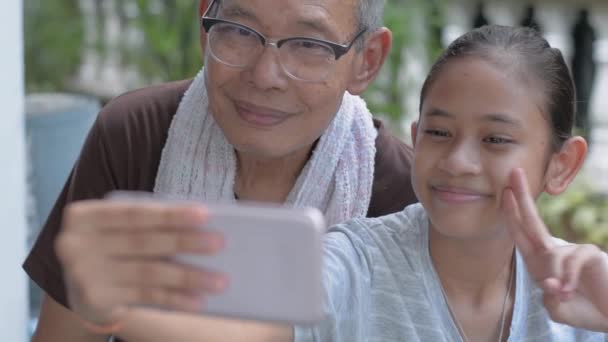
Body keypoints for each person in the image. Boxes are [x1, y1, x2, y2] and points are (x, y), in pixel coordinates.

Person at [54, 24, 608, 341]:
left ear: (561, 164)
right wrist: (113, 309)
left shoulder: (583, 289)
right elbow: (249, 333)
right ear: (417, 139)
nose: (459, 160)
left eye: (495, 140)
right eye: (439, 132)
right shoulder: (354, 260)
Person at [24, 0, 418, 341]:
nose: (264, 76)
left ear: (367, 61)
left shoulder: (404, 196)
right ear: (204, 26)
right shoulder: (134, 135)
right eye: (239, 30)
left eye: (309, 44)